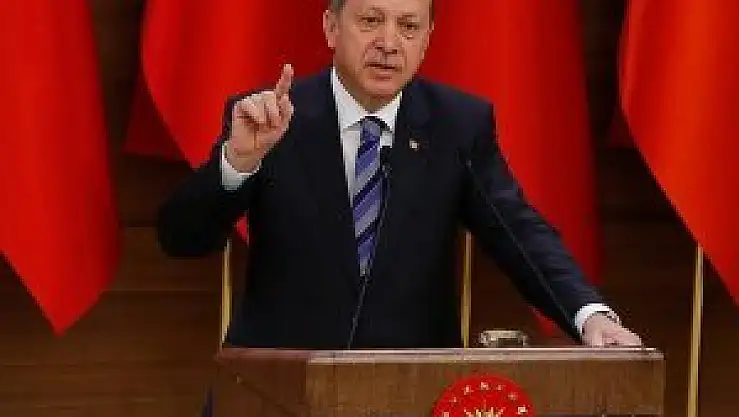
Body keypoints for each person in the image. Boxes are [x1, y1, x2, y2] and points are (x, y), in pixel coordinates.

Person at [157, 0, 643, 352]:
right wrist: (238, 162)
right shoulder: (273, 118)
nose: (389, 44)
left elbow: (518, 232)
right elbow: (182, 238)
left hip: (412, 391)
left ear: (428, 37)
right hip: (276, 391)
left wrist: (589, 315)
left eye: (408, 26)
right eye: (370, 21)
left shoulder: (457, 125)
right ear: (331, 27)